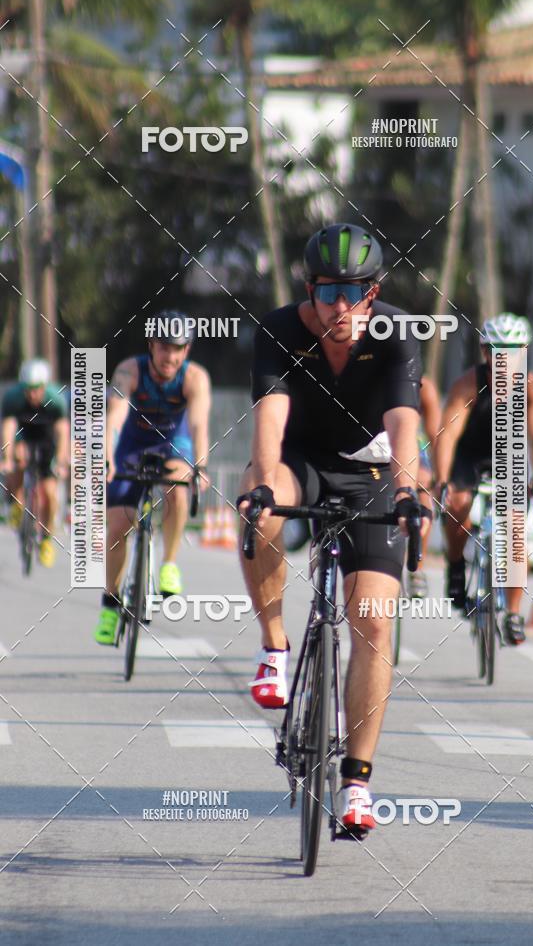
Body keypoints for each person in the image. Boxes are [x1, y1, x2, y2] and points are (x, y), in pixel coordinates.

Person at [237, 223, 430, 834]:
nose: (339, 308)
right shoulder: (280, 331)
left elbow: (403, 422)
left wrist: (406, 491)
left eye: (353, 293)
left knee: (373, 621)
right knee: (258, 503)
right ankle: (274, 647)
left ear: (373, 294)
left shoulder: (397, 334)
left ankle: (356, 781)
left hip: (370, 472)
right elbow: (271, 415)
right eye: (327, 294)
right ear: (309, 290)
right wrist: (264, 482)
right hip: (299, 464)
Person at [94, 309, 211, 645]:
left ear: (186, 350)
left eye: (177, 348)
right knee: (118, 525)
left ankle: (169, 563)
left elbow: (201, 424)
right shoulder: (129, 370)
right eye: (164, 347)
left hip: (174, 443)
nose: (170, 356)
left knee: (177, 487)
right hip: (132, 443)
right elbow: (115, 416)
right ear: (151, 346)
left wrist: (200, 464)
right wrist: (106, 455)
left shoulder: (195, 378)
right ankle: (110, 603)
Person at [434, 312, 533, 645]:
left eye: (512, 351)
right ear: (485, 353)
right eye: (497, 351)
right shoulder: (468, 384)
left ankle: (513, 613)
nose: (505, 358)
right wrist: (443, 479)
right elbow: (447, 434)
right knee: (457, 504)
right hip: (468, 456)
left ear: (523, 352)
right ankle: (456, 568)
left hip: (508, 457)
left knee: (514, 533)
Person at [0, 358, 69, 567]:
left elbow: (63, 432)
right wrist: (7, 458)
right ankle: (16, 503)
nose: (32, 394)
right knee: (17, 461)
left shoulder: (55, 399)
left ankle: (46, 538)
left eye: (36, 389)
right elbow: (8, 429)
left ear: (44, 386)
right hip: (23, 434)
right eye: (27, 389)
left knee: (48, 493)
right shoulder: (13, 398)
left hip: (46, 437)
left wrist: (61, 460)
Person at [409, 375, 442, 599]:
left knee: (423, 483)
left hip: (410, 443)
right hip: (374, 441)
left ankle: (417, 568)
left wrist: (440, 476)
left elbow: (435, 437)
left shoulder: (424, 387)